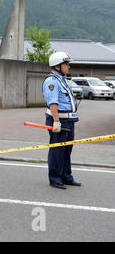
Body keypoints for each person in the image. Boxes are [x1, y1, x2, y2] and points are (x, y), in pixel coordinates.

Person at [42, 51, 81, 190]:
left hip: (69, 121)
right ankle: (55, 178)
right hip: (59, 122)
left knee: (66, 151)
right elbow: (53, 103)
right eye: (66, 64)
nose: (68, 66)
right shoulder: (52, 81)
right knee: (57, 151)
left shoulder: (62, 80)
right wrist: (56, 121)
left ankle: (66, 177)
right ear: (57, 66)